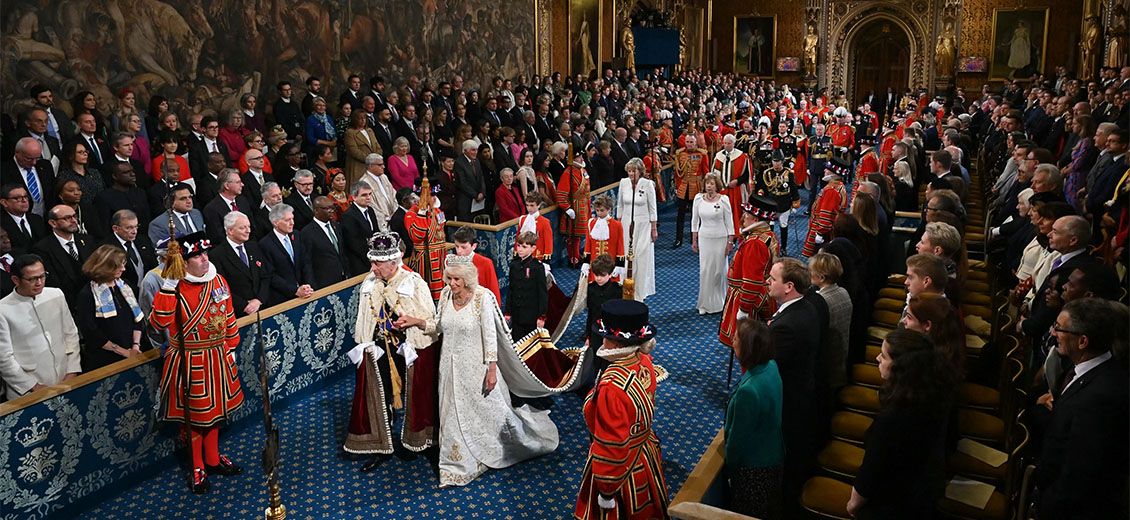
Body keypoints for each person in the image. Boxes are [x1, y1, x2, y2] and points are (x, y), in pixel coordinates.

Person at [420, 254, 559, 486]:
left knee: (487, 413)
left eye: (456, 279)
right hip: (449, 367)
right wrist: (417, 322)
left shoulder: (482, 298)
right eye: (449, 278)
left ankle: (493, 449)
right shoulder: (445, 295)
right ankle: (456, 466)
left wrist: (492, 369)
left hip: (477, 367)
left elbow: (490, 336)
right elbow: (439, 325)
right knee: (451, 412)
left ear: (467, 278)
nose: (451, 284)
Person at [149, 231, 245, 494]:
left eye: (205, 254)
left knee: (214, 415)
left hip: (218, 355)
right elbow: (158, 324)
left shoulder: (219, 280)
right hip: (190, 360)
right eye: (197, 256)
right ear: (184, 262)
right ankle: (197, 467)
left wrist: (232, 347)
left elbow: (228, 316)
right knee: (194, 418)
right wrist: (167, 288)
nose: (204, 259)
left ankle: (213, 458)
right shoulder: (175, 287)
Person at [344, 231, 438, 470]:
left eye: (378, 263)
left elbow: (430, 320)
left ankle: (421, 442)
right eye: (372, 262)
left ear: (394, 262)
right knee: (380, 396)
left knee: (417, 396)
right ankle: (382, 446)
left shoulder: (415, 282)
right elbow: (364, 317)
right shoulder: (369, 282)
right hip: (379, 351)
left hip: (409, 351)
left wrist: (412, 321)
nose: (373, 268)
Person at [847, 329, 957, 518]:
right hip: (921, 497)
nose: (877, 358)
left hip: (892, 506)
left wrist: (853, 505)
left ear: (901, 367)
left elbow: (871, 473)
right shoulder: (933, 392)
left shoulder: (894, 418)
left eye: (884, 356)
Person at [574, 299, 669, 519]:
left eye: (605, 336)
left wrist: (606, 490)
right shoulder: (644, 360)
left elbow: (613, 445)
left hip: (620, 471)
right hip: (645, 454)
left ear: (615, 343)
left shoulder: (612, 388)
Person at [1037, 298, 1130, 518]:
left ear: (1082, 341)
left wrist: (1046, 507)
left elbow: (1079, 473)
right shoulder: (1083, 368)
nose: (1052, 333)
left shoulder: (1101, 397)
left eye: (1059, 328)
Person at [766, 257, 823, 515]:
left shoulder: (787, 325)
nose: (767, 281)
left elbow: (766, 364)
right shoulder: (806, 306)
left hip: (788, 404)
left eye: (773, 278)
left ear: (788, 287)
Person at [724, 318, 784, 519]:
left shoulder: (749, 392)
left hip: (753, 469)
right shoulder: (771, 366)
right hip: (773, 454)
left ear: (748, 347)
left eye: (736, 339)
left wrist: (729, 470)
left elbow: (737, 440)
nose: (733, 341)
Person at [0, 253, 81, 399]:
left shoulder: (56, 295)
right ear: (15, 280)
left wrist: (72, 371)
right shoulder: (3, 309)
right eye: (32, 279)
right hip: (27, 390)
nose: (39, 282)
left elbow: (71, 334)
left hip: (66, 380)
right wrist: (34, 387)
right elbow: (4, 358)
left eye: (42, 276)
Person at [719, 196, 780, 347]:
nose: (742, 218)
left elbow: (752, 281)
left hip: (750, 300)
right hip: (756, 295)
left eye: (746, 214)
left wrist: (744, 309)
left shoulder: (754, 243)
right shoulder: (766, 235)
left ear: (754, 218)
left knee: (748, 346)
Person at [74, 245, 145, 371]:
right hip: (106, 359)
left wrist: (135, 346)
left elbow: (138, 318)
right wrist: (124, 352)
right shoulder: (87, 295)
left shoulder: (125, 286)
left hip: (135, 352)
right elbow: (92, 332)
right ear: (104, 267)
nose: (123, 269)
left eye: (123, 264)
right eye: (118, 266)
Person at [209, 212, 271, 318]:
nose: (248, 231)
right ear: (230, 231)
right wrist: (245, 305)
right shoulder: (216, 255)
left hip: (263, 307)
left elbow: (266, 275)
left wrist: (259, 300)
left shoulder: (254, 246)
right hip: (239, 313)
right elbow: (220, 289)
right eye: (243, 228)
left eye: (249, 226)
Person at [809, 252, 852, 400]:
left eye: (811, 271)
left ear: (821, 277)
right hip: (841, 358)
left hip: (827, 367)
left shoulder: (822, 302)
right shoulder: (843, 291)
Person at [618, 157, 659, 301]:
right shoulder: (623, 183)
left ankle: (640, 291)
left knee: (640, 257)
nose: (630, 174)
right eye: (629, 171)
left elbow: (653, 208)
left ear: (640, 171)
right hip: (626, 224)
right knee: (626, 255)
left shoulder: (648, 185)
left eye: (633, 171)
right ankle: (626, 289)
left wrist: (654, 228)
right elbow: (620, 205)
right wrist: (618, 224)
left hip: (643, 225)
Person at [692, 174, 733, 314]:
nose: (709, 186)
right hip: (705, 238)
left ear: (717, 185)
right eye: (707, 183)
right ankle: (705, 304)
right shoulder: (698, 199)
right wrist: (694, 239)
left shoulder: (724, 200)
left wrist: (730, 241)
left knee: (719, 271)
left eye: (712, 183)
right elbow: (694, 221)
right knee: (705, 270)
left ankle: (721, 303)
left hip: (721, 238)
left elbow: (730, 222)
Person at [803, 159, 850, 257]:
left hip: (823, 232)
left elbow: (826, 215)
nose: (824, 170)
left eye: (827, 169)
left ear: (834, 173)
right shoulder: (838, 186)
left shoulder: (831, 191)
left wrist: (820, 233)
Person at [755, 150, 800, 252]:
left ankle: (783, 247)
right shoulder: (767, 172)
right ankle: (769, 245)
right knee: (770, 225)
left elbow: (793, 188)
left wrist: (795, 202)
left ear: (782, 161)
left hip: (784, 203)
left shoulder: (789, 173)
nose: (776, 163)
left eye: (778, 161)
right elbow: (763, 187)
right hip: (771, 203)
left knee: (783, 225)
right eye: (774, 161)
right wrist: (761, 195)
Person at [507, 231, 548, 341]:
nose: (520, 249)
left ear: (533, 248)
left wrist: (541, 316)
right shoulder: (514, 265)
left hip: (531, 315)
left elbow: (542, 293)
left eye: (524, 247)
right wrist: (508, 312)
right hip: (516, 313)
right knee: (516, 343)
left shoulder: (538, 267)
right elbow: (511, 290)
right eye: (519, 246)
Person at [673, 134, 709, 248]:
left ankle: (695, 237)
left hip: (696, 187)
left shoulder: (702, 154)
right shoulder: (680, 154)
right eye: (687, 142)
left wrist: (704, 189)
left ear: (696, 143)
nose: (689, 144)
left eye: (691, 142)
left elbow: (706, 172)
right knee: (680, 215)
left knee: (696, 215)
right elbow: (677, 174)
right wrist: (678, 187)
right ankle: (678, 239)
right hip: (683, 187)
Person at [556, 151, 592, 267]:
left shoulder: (583, 171)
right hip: (574, 207)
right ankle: (574, 258)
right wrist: (567, 208)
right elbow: (561, 193)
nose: (581, 159)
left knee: (581, 235)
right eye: (578, 157)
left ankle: (578, 256)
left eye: (581, 156)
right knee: (573, 236)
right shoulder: (568, 173)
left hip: (584, 205)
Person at [712, 134, 752, 235]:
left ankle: (736, 234)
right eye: (725, 143)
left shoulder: (742, 156)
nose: (726, 145)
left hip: (737, 190)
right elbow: (713, 173)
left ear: (734, 144)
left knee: (737, 212)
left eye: (729, 143)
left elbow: (747, 174)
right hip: (722, 190)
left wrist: (737, 181)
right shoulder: (718, 156)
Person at [451, 226, 500, 303]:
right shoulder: (452, 261)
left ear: (474, 246)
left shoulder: (486, 263)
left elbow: (494, 293)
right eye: (457, 246)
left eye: (463, 247)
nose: (459, 251)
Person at [583, 195, 625, 281]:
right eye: (597, 210)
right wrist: (586, 263)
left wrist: (619, 265)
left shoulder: (617, 225)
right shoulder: (591, 223)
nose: (599, 213)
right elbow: (588, 244)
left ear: (609, 209)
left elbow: (620, 246)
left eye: (602, 210)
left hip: (610, 264)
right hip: (594, 264)